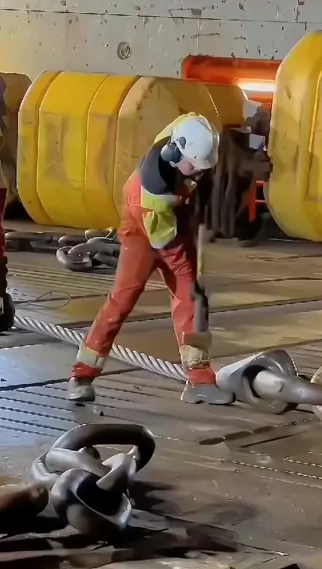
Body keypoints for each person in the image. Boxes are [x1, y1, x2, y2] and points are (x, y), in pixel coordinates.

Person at [68, 112, 234, 405]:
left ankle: (199, 378)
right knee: (124, 299)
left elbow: (193, 125)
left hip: (177, 219)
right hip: (143, 234)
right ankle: (82, 374)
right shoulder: (151, 196)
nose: (198, 172)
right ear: (175, 153)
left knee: (192, 299)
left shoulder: (185, 130)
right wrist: (190, 281)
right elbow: (171, 252)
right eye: (194, 166)